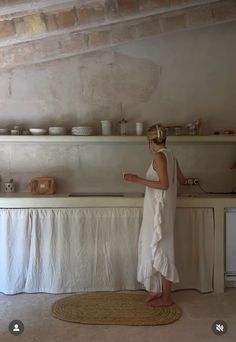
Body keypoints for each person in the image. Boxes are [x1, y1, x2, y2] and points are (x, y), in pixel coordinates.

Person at [123, 123, 186, 307]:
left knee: (163, 249)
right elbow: (181, 180)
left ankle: (167, 298)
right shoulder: (171, 155)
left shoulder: (159, 156)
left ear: (149, 141)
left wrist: (136, 179)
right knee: (158, 247)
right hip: (163, 209)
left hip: (160, 212)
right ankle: (156, 289)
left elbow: (164, 184)